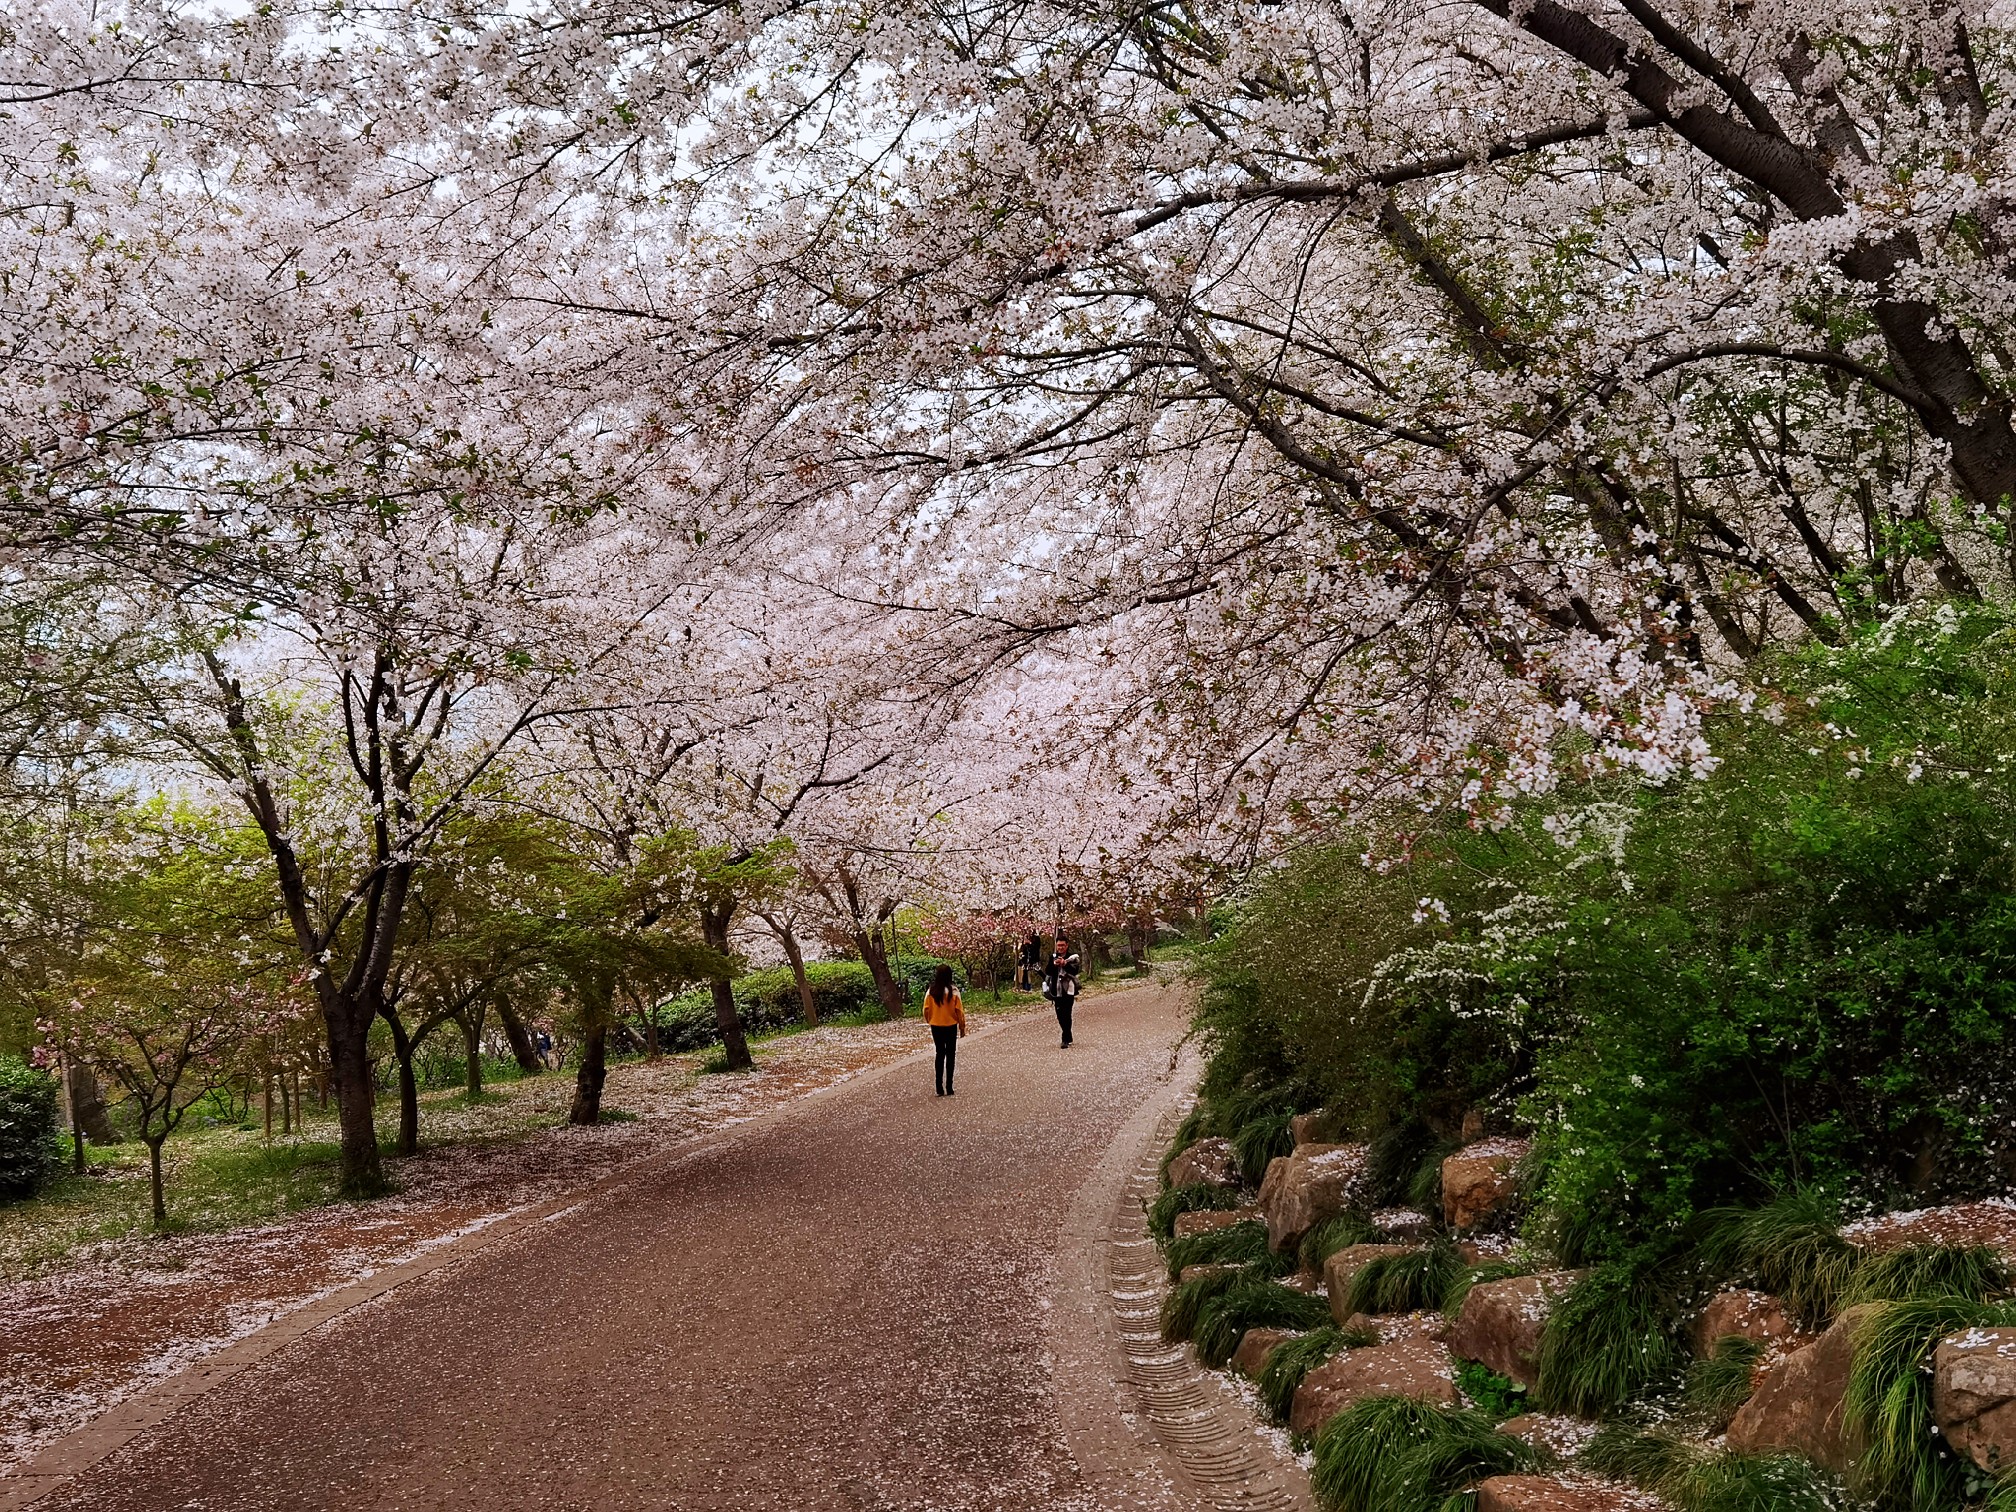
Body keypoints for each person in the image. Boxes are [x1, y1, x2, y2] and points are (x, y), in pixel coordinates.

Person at [922, 964, 967, 1096]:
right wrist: (962, 1027)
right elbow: (960, 1011)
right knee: (951, 1055)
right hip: (951, 1026)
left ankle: (938, 1086)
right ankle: (949, 1086)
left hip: (936, 1025)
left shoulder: (931, 992)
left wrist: (930, 1020)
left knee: (939, 1053)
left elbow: (925, 1009)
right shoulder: (954, 991)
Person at [1043, 936, 1081, 1048]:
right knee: (1060, 1015)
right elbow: (1048, 972)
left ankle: (1065, 1039)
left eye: (1062, 945)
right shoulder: (1053, 957)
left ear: (1067, 945)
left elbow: (1075, 971)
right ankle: (1068, 1035)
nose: (1060, 948)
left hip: (1068, 990)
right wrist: (1054, 965)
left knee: (1067, 1014)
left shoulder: (1072, 957)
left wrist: (1065, 964)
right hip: (1056, 990)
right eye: (1058, 945)